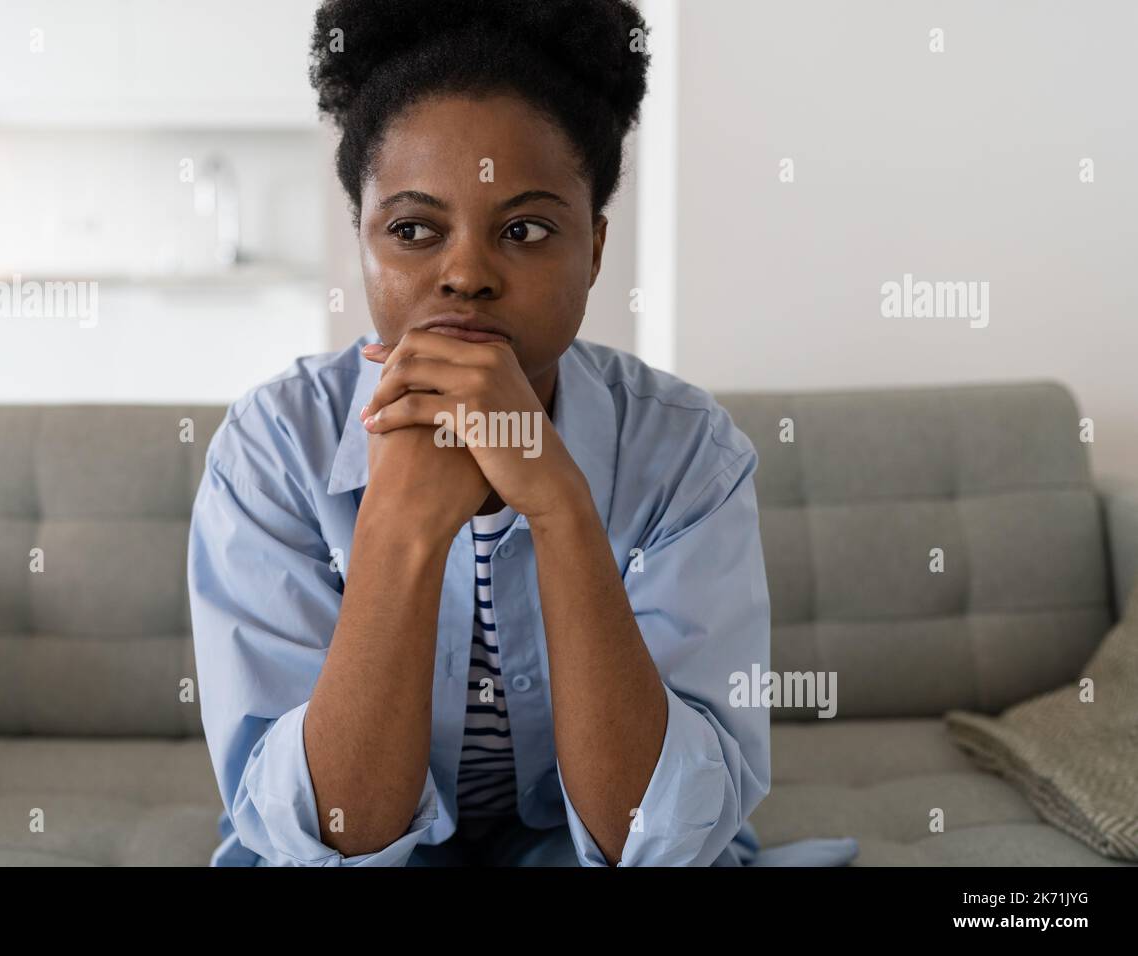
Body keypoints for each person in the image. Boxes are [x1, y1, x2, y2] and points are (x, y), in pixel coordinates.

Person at [187, 0, 858, 867]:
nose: (465, 274)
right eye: (413, 230)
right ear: (362, 240)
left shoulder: (691, 454)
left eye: (526, 229)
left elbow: (649, 842)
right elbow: (334, 838)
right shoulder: (274, 449)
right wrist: (401, 525)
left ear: (596, 250)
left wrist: (557, 503)